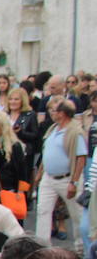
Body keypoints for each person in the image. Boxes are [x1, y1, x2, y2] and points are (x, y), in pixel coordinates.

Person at [35, 98, 86, 250]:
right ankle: (42, 247)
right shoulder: (52, 129)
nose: (52, 113)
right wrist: (39, 174)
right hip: (48, 178)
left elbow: (81, 158)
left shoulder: (75, 131)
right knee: (42, 210)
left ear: (62, 114)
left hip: (67, 178)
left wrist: (74, 182)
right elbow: (47, 153)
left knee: (77, 213)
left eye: (55, 111)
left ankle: (81, 247)